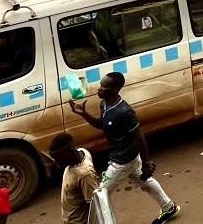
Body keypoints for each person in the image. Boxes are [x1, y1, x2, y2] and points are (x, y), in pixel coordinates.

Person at [68, 72, 180, 224]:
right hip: (129, 158)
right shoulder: (105, 103)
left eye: (103, 86)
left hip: (122, 162)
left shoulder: (125, 112)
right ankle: (169, 208)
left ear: (114, 89)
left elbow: (139, 138)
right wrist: (83, 113)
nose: (98, 89)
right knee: (144, 180)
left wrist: (146, 163)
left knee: (100, 195)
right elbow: (101, 124)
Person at [49, 132, 100, 224]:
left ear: (71, 152)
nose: (56, 163)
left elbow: (93, 205)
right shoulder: (83, 151)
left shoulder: (85, 174)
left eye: (59, 158)